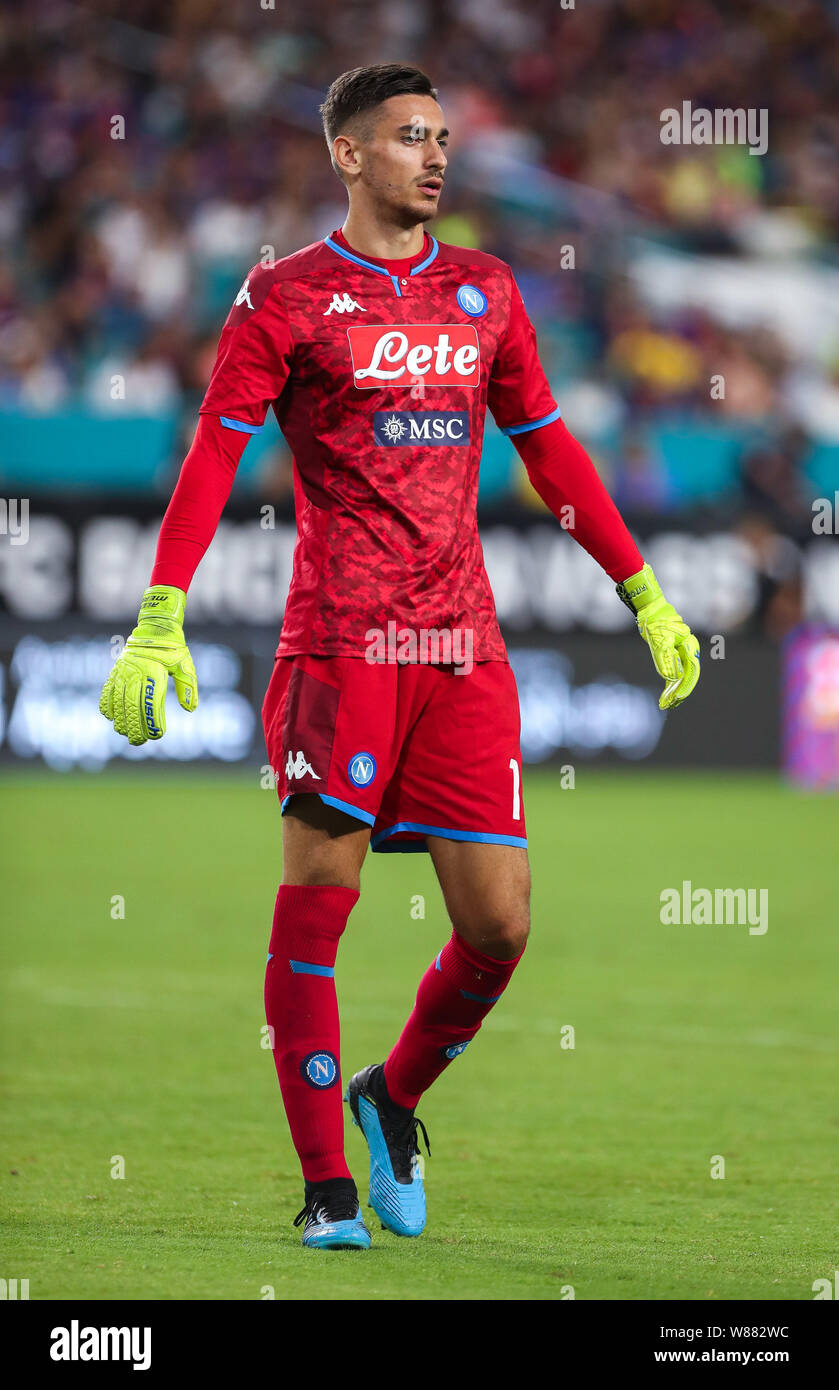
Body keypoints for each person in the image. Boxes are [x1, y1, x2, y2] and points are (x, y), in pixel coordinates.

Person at [99, 63, 700, 1251]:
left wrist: (641, 589)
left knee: (500, 925)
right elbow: (213, 456)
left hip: (463, 647)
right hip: (342, 642)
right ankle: (325, 1186)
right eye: (408, 138)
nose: (434, 156)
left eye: (440, 138)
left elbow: (553, 454)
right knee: (320, 902)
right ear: (347, 155)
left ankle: (392, 1096)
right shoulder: (284, 297)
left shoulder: (484, 291)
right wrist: (159, 609)